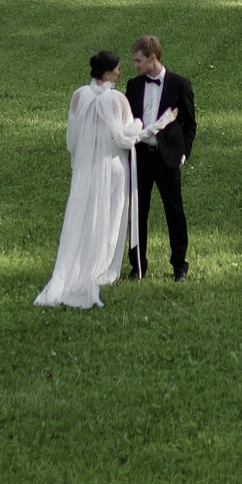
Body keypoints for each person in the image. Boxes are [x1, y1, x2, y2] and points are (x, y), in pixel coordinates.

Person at [34, 50, 174, 309]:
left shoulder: (79, 95)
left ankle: (80, 262)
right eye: (119, 68)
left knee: (84, 215)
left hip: (86, 169)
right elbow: (124, 138)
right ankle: (103, 267)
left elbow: (72, 139)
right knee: (110, 216)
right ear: (108, 73)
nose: (123, 72)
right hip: (112, 166)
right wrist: (147, 124)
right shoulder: (117, 100)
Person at [124, 35, 197, 282]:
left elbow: (189, 123)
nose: (135, 66)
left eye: (138, 61)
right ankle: (137, 267)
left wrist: (183, 153)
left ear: (152, 58)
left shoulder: (179, 84)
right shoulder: (133, 86)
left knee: (174, 212)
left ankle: (180, 267)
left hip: (167, 159)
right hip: (141, 157)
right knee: (138, 212)